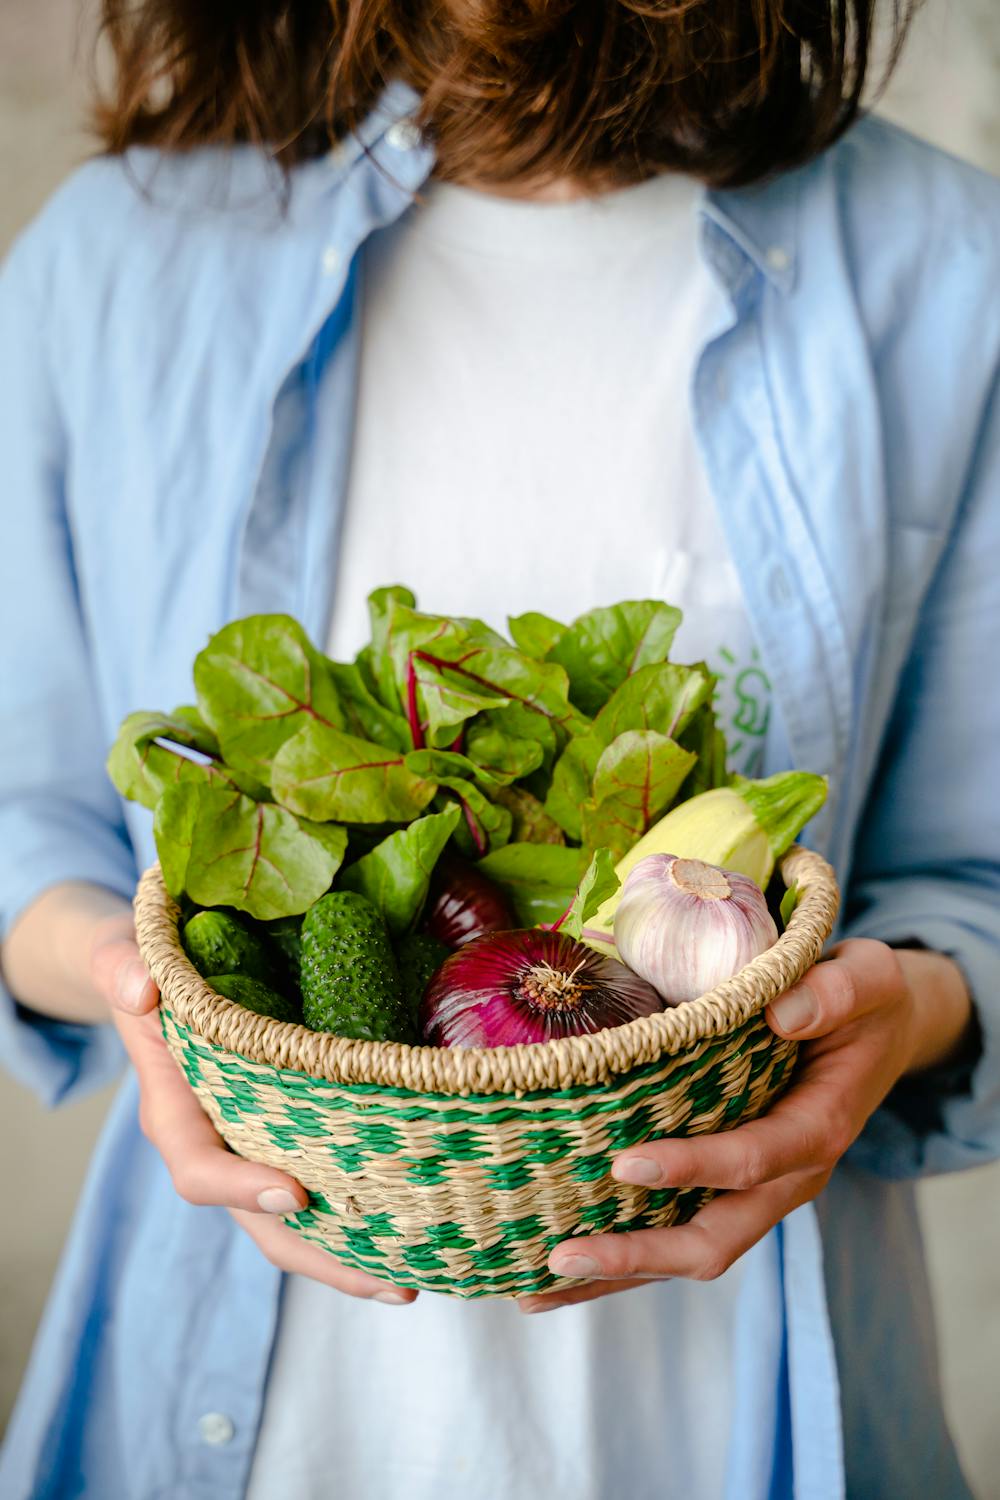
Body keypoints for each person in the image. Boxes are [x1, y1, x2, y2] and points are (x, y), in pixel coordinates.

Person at [1, 2, 997, 1496]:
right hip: (238, 1418)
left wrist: (899, 1014)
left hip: (740, 1407)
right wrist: (132, 992)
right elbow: (26, 820)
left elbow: (971, 880)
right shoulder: (116, 260)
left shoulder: (947, 265)